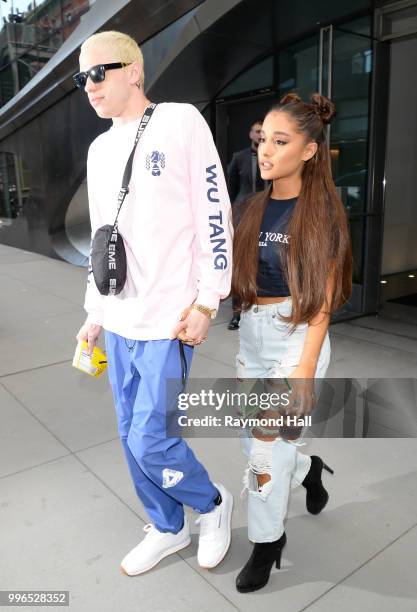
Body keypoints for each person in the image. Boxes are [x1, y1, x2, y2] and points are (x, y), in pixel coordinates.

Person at [74, 30, 234, 576]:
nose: (89, 86)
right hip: (119, 319)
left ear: (134, 71)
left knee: (151, 437)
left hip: (169, 320)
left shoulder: (180, 121)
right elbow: (102, 237)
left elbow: (215, 213)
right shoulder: (98, 150)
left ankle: (211, 505)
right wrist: (94, 313)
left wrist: (208, 301)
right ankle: (168, 525)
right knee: (129, 435)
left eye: (99, 73)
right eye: (81, 79)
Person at [231, 91, 352, 593]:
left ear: (308, 151)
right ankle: (308, 469)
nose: (266, 150)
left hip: (296, 334)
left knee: (262, 446)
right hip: (254, 333)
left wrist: (304, 368)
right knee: (255, 439)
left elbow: (323, 302)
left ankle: (267, 542)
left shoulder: (320, 211)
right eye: (264, 139)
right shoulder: (255, 206)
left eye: (280, 142)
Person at [227, 119, 265, 330]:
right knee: (241, 265)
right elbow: (229, 189)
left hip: (268, 214)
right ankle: (237, 314)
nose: (261, 135)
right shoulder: (239, 158)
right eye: (258, 131)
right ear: (251, 134)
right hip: (242, 216)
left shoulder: (273, 155)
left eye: (263, 132)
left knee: (263, 263)